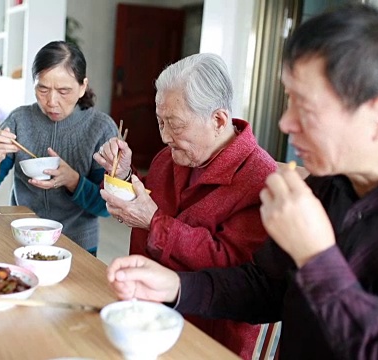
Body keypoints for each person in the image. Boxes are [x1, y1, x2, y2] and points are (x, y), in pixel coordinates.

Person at [106, 4, 378, 359]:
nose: (284, 124)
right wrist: (176, 286)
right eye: (288, 101)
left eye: (305, 107)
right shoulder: (326, 186)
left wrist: (315, 257)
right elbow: (265, 287)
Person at [93, 53, 277, 358]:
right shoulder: (169, 157)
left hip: (205, 337)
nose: (164, 136)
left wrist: (154, 222)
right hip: (141, 314)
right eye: (160, 121)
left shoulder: (260, 178)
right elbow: (149, 203)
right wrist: (125, 175)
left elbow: (232, 268)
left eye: (174, 125)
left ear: (218, 120)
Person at [0, 41, 118, 255]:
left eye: (64, 91)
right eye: (43, 89)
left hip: (79, 245)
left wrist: (73, 181)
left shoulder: (101, 128)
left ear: (82, 87)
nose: (51, 101)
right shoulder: (19, 120)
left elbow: (106, 208)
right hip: (24, 239)